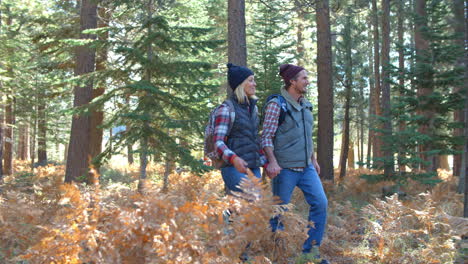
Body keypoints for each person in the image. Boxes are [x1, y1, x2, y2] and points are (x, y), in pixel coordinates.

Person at [262, 64, 329, 263]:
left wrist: (314, 160)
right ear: (292, 81)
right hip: (284, 168)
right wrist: (272, 162)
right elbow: (266, 137)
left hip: (306, 168)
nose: (307, 81)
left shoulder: (306, 104)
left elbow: (309, 136)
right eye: (304, 78)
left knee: (321, 203)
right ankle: (278, 255)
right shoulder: (277, 104)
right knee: (279, 212)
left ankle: (311, 253)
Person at [214, 63, 265, 194]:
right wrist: (234, 158)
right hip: (232, 168)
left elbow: (254, 139)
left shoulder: (253, 108)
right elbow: (218, 142)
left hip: (253, 167)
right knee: (253, 199)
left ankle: (228, 214)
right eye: (251, 80)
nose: (254, 84)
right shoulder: (226, 109)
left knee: (253, 208)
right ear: (240, 84)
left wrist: (265, 160)